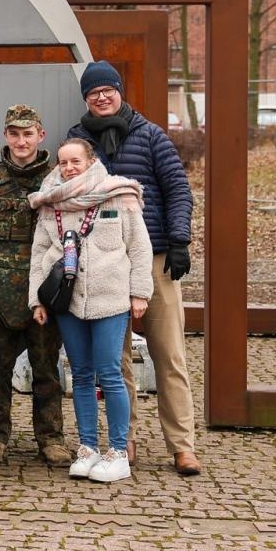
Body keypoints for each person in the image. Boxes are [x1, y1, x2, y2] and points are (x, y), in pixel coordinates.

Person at [66, 61, 202, 477]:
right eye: (93, 93)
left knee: (169, 355)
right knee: (116, 361)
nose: (101, 97)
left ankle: (182, 445)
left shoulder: (150, 135)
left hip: (155, 260)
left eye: (107, 90)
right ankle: (124, 440)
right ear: (86, 99)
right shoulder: (78, 140)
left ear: (119, 91)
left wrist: (178, 240)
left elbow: (178, 190)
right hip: (104, 266)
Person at [29, 138, 153, 484]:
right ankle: (87, 448)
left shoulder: (119, 194)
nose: (69, 168)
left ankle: (118, 451)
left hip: (110, 300)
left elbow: (139, 247)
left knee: (110, 373)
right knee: (80, 375)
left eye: (76, 161)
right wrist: (36, 300)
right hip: (67, 303)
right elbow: (39, 253)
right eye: (63, 163)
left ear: (91, 161)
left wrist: (140, 293)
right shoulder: (50, 202)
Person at [0, 105, 69, 466]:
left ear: (41, 135)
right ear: (6, 136)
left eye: (28, 134)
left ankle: (51, 438)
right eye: (14, 134)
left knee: (46, 370)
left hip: (44, 294)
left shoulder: (57, 180)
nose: (21, 141)